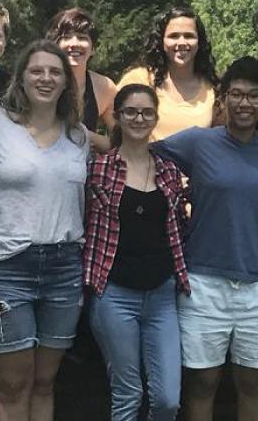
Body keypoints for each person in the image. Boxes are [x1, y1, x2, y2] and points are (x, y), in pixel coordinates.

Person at [153, 57, 258, 421]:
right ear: (222, 99)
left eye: (254, 96)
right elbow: (145, 155)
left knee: (252, 384)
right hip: (204, 282)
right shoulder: (198, 142)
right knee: (203, 383)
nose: (245, 103)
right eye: (236, 94)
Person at [0, 40, 91, 420]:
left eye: (55, 72)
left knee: (43, 382)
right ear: (20, 77)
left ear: (66, 83)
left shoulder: (79, 136)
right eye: (37, 70)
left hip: (64, 267)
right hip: (4, 266)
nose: (46, 78)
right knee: (10, 386)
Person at [83, 84, 191, 421]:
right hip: (114, 294)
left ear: (155, 117)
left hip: (161, 294)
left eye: (146, 112)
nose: (138, 118)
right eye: (130, 111)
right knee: (128, 394)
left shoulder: (171, 172)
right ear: (116, 117)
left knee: (168, 399)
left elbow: (180, 228)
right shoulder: (98, 170)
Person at [118, 7, 219, 140]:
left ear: (199, 42)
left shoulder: (212, 88)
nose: (182, 42)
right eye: (174, 36)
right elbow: (114, 129)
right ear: (162, 42)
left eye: (189, 36)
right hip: (146, 160)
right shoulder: (139, 80)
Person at [46, 7, 116, 133]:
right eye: (66, 37)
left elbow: (119, 139)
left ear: (93, 48)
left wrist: (85, 137)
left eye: (82, 37)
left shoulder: (105, 87)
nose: (74, 44)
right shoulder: (40, 82)